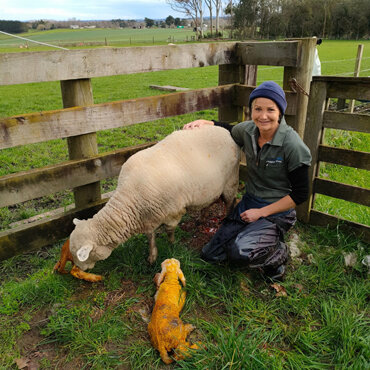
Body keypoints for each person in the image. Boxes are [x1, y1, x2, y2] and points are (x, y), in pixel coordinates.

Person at [183, 81, 311, 279]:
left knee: (239, 252)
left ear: (280, 112)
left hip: (276, 211)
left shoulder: (292, 145)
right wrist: (208, 123)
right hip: (250, 203)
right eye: (257, 109)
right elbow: (229, 129)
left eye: (270, 109)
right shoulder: (249, 131)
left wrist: (261, 213)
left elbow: (301, 193)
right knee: (211, 254)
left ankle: (278, 253)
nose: (263, 116)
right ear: (251, 110)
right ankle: (252, 235)